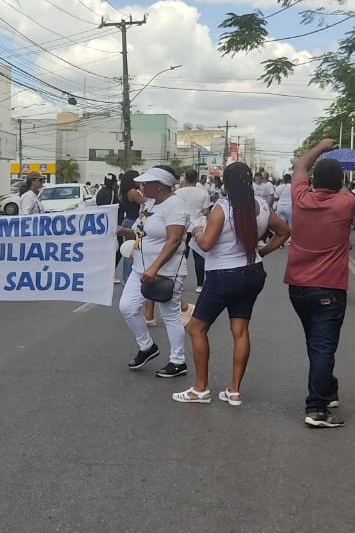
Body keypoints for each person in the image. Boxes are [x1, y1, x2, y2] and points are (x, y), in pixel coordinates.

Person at [174, 162, 290, 405]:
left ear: (225, 183)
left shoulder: (222, 209)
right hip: (253, 272)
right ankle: (234, 390)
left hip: (223, 275)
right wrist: (263, 252)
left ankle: (200, 389)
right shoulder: (262, 206)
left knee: (196, 328)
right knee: (240, 331)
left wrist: (196, 231)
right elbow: (284, 232)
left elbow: (205, 244)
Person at [282, 139, 355, 428]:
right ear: (340, 183)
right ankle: (317, 409)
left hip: (297, 286)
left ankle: (328, 389)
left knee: (317, 343)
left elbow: (300, 164)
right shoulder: (345, 202)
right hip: (329, 288)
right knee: (323, 346)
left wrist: (322, 147)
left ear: (313, 180)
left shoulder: (300, 199)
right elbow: (346, 193)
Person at [115, 167, 190, 376]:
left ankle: (178, 361)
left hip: (165, 271)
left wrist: (155, 267)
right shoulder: (150, 205)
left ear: (160, 185)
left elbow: (174, 239)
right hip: (141, 268)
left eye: (146, 183)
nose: (142, 186)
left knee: (170, 315)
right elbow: (143, 234)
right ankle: (147, 346)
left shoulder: (175, 206)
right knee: (127, 307)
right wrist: (125, 232)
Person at [175, 168, 212, 293]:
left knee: (180, 255)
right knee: (199, 257)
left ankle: (178, 283)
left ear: (185, 179)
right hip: (198, 228)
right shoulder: (203, 193)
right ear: (196, 179)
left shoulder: (178, 192)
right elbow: (207, 212)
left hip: (182, 227)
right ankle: (200, 284)